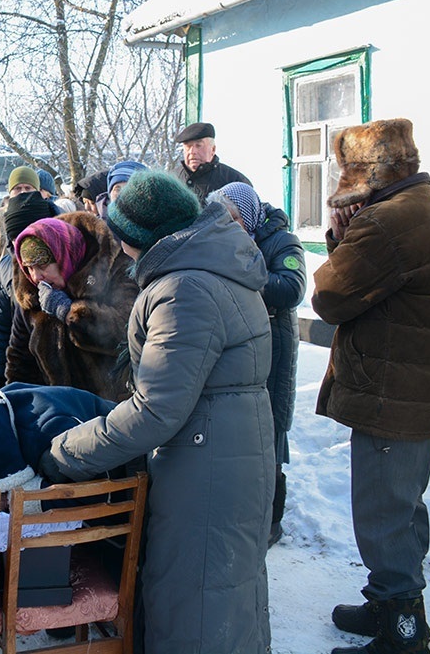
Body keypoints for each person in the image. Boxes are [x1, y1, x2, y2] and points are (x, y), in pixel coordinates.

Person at [39, 170, 273, 654]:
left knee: (196, 606)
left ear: (144, 238)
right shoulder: (214, 266)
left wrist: (64, 450)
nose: (120, 251)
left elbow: (155, 411)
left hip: (205, 469)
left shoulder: (186, 290)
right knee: (222, 596)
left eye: (122, 238)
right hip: (227, 453)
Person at [311, 119, 430, 654]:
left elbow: (330, 296)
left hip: (391, 397)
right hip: (417, 391)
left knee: (383, 515)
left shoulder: (386, 223)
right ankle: (388, 602)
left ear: (361, 175)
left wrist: (343, 230)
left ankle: (403, 630)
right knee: (401, 506)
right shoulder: (427, 205)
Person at [209, 182, 306, 547]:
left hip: (275, 353)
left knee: (271, 436)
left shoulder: (283, 242)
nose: (229, 225)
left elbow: (291, 288)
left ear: (248, 214)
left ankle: (271, 520)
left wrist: (241, 273)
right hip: (243, 347)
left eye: (233, 218)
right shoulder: (231, 240)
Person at [7, 211, 139, 402]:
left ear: (62, 256)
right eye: (28, 268)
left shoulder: (114, 271)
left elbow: (127, 332)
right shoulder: (31, 295)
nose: (36, 277)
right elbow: (19, 359)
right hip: (56, 412)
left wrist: (71, 313)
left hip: (111, 409)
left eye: (43, 265)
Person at [0, 191, 58, 392]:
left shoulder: (66, 260)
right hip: (23, 370)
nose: (23, 245)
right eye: (16, 238)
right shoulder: (7, 266)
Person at [172, 122, 251, 203]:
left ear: (213, 149)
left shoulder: (235, 182)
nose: (192, 151)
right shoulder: (171, 179)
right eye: (188, 146)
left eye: (198, 145)